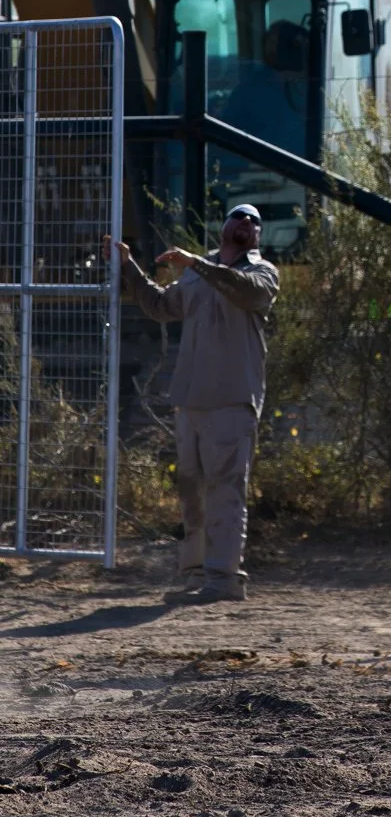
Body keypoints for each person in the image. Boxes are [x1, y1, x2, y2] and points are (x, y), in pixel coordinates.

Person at [106, 206, 279, 603]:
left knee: (226, 491)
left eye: (254, 222)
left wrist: (196, 263)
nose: (247, 224)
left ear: (257, 237)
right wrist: (128, 265)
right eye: (239, 217)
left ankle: (224, 579)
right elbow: (160, 306)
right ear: (224, 226)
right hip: (191, 400)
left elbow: (245, 292)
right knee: (192, 492)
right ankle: (196, 573)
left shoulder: (263, 273)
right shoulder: (196, 275)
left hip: (234, 400)